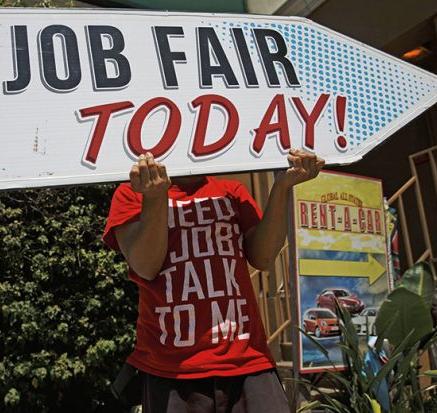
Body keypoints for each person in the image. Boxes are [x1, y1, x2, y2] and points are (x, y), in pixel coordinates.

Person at [103, 149, 324, 412]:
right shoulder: (131, 193)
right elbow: (145, 266)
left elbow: (263, 259)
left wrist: (283, 186)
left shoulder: (232, 190)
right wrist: (154, 197)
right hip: (171, 369)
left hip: (248, 360)